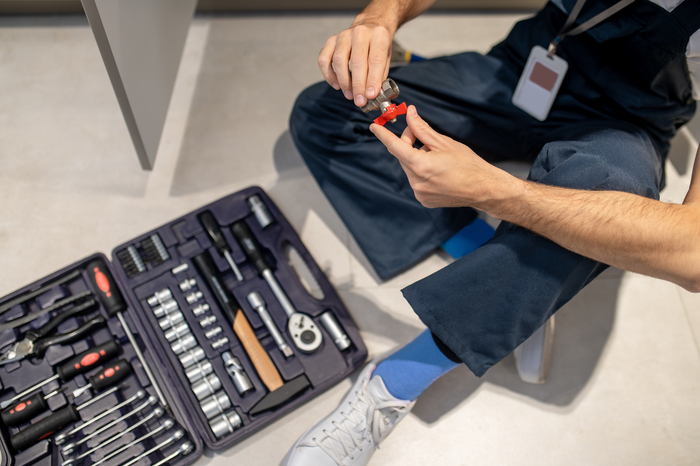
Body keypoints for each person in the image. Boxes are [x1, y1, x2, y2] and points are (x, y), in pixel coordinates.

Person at [283, 0, 700, 464]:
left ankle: (394, 382)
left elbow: (694, 254)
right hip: (527, 65)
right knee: (326, 111)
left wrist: (495, 192)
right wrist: (378, 18)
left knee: (612, 198)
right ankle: (507, 271)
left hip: (629, 119)